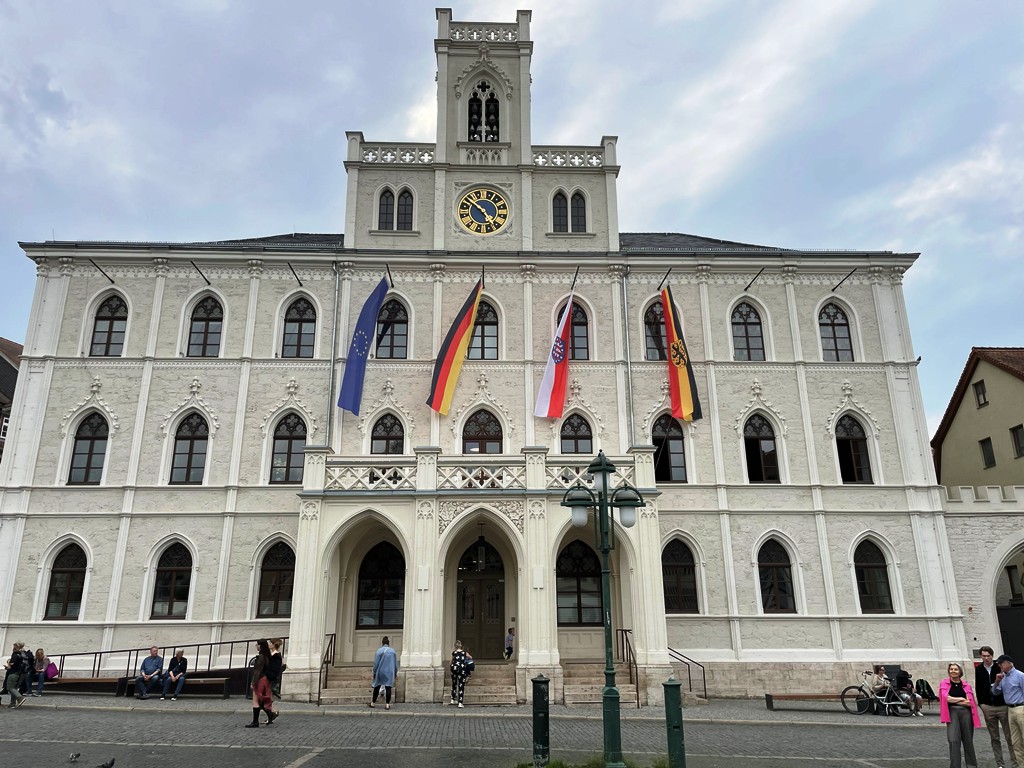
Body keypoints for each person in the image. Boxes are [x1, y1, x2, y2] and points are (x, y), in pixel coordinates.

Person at [977, 646, 1017, 768]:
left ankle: (1015, 762)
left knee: (1010, 736)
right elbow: (978, 688)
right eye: (984, 656)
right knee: (994, 738)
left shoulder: (999, 667)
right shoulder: (979, 669)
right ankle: (1000, 764)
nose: (986, 658)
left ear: (992, 656)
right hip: (988, 707)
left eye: (988, 656)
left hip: (1002, 705)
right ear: (981, 656)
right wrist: (982, 704)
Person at [940, 662, 981, 768]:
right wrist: (961, 699)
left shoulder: (966, 685)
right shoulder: (944, 683)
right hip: (952, 713)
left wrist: (955, 700)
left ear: (960, 672)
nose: (953, 671)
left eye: (956, 669)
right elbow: (946, 698)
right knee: (953, 740)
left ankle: (971, 765)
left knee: (968, 740)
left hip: (966, 713)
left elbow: (970, 702)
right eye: (951, 669)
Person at [994, 655, 1024, 768]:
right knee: (1016, 742)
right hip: (1010, 710)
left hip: (1021, 708)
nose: (1000, 665)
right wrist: (997, 681)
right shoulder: (1002, 677)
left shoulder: (1020, 676)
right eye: (999, 664)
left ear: (1010, 663)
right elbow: (995, 692)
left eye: (1002, 663)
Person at [246, 639, 278, 728]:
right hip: (265, 679)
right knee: (261, 700)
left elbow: (257, 671)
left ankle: (255, 721)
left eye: (257, 645)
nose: (256, 646)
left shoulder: (261, 657)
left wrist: (253, 682)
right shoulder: (268, 656)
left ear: (260, 646)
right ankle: (270, 714)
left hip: (260, 679)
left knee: (255, 700)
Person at [369, 636, 399, 710]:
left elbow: (376, 663)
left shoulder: (379, 651)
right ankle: (387, 704)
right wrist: (395, 672)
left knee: (377, 686)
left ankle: (373, 703)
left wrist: (374, 671)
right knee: (388, 687)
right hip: (390, 671)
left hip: (380, 671)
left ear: (382, 643)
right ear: (388, 643)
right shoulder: (393, 651)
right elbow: (396, 664)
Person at [3, 642, 30, 708]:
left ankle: (20, 698)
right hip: (20, 674)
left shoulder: (15, 654)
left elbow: (12, 664)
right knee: (14, 688)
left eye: (14, 646)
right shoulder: (22, 654)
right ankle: (12, 703)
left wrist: (8, 666)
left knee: (10, 688)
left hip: (13, 673)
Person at [448, 640, 472, 708]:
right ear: (461, 646)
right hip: (461, 669)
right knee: (461, 685)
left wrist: (450, 668)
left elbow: (450, 662)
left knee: (454, 684)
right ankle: (460, 703)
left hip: (454, 669)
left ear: (455, 646)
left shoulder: (454, 653)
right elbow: (470, 657)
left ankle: (453, 699)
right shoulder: (464, 653)